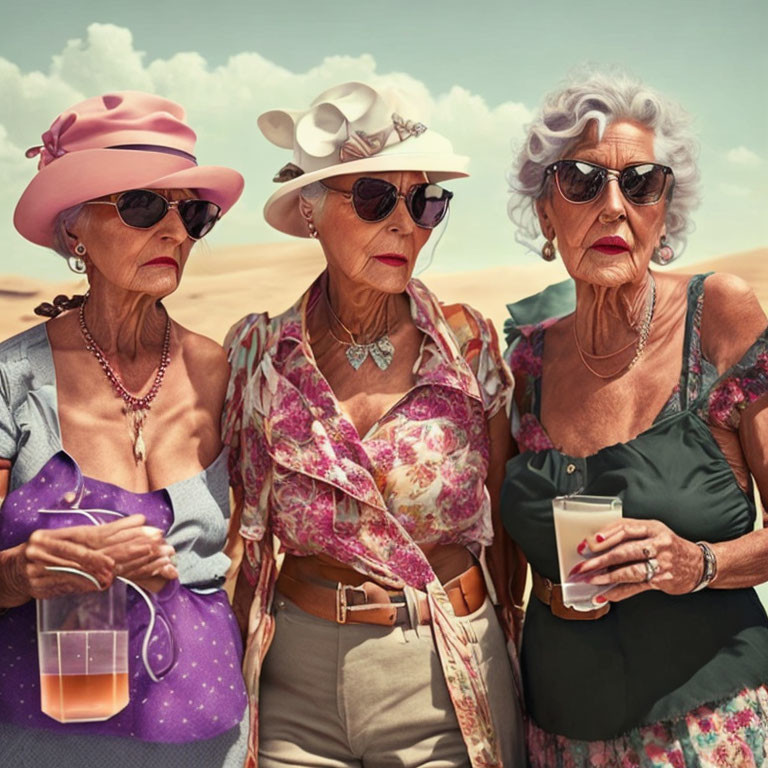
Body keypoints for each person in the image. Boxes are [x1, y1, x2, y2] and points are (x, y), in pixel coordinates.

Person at [224, 81, 526, 768]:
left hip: (444, 676)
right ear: (310, 211)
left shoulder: (468, 343)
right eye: (372, 198)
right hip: (293, 688)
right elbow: (241, 530)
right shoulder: (256, 355)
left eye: (424, 201)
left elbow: (505, 523)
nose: (406, 224)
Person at [501, 70, 768, 767]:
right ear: (544, 212)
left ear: (665, 208)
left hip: (711, 729)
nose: (613, 206)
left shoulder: (719, 317)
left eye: (641, 183)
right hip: (559, 732)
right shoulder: (522, 360)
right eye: (582, 182)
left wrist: (695, 562)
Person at [0, 92, 249, 766]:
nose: (174, 233)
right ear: (75, 230)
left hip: (210, 729)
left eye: (193, 213)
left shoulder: (225, 371)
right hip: (48, 735)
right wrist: (22, 573)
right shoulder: (12, 378)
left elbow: (255, 555)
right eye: (143, 206)